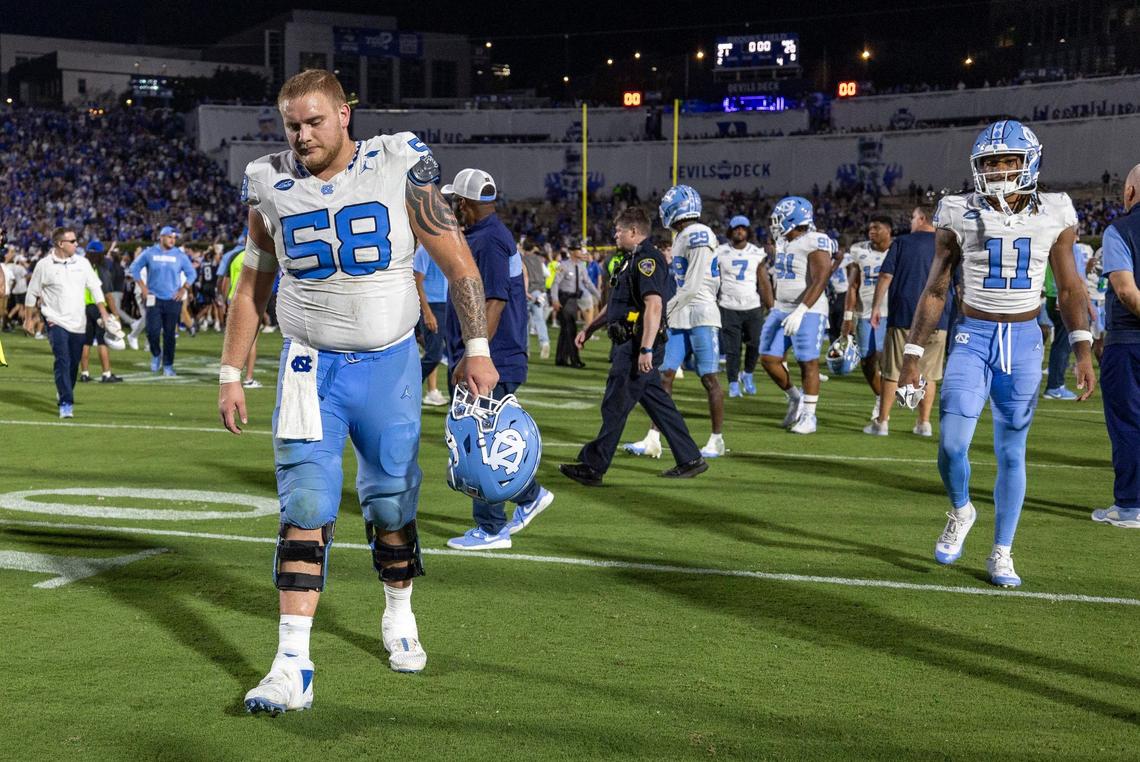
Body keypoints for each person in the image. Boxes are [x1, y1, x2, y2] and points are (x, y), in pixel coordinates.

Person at [218, 69, 497, 713]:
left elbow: (459, 265)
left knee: (391, 503)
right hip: (309, 368)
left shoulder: (398, 163)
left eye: (315, 121)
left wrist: (475, 351)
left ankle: (398, 609)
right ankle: (292, 664)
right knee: (305, 504)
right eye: (292, 124)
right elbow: (252, 287)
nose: (303, 134)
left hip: (389, 364)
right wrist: (232, 372)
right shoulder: (268, 183)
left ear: (346, 113)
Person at [895, 120, 1095, 588]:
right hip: (973, 336)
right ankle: (962, 508)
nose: (1000, 171)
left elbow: (1069, 287)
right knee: (951, 443)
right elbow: (936, 288)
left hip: (1024, 342)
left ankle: (1002, 550)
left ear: (1030, 163)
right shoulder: (958, 210)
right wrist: (911, 356)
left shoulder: (1055, 210)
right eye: (990, 163)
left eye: (1009, 162)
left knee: (1012, 452)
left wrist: (1082, 347)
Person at [440, 167, 555, 550]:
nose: (455, 206)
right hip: (501, 353)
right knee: (485, 434)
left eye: (458, 200)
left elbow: (494, 301)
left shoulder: (488, 240)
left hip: (495, 355)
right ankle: (529, 496)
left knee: (477, 439)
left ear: (468, 202)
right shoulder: (494, 235)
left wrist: (476, 354)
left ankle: (491, 528)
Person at [559, 206, 707, 485]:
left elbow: (654, 305)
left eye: (619, 230)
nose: (614, 235)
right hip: (631, 341)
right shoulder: (631, 259)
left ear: (634, 232)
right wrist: (590, 328)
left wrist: (646, 349)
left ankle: (593, 467)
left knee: (615, 404)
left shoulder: (646, 260)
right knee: (657, 403)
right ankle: (690, 458)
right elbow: (616, 304)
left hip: (636, 343)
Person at [625, 185, 726, 459]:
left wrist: (665, 310)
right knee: (664, 375)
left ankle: (717, 439)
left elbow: (693, 285)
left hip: (701, 312)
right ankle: (653, 437)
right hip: (683, 312)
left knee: (709, 378)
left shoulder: (699, 233)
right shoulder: (683, 235)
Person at [868, 205, 950, 436]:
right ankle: (923, 423)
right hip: (938, 317)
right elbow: (958, 284)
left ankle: (882, 422)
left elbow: (886, 275)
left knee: (893, 370)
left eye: (913, 217)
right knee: (928, 373)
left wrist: (876, 307)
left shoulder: (903, 242)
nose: (911, 221)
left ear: (922, 218)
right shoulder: (950, 244)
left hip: (905, 314)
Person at [758, 196, 836, 434]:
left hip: (809, 309)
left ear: (794, 218)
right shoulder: (785, 241)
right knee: (768, 358)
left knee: (807, 361)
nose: (776, 222)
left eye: (780, 217)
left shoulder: (815, 240)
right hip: (782, 308)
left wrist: (802, 310)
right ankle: (795, 397)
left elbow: (822, 277)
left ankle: (809, 417)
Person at [24, 227, 120, 418]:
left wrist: (104, 312)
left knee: (73, 363)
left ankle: (64, 389)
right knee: (62, 359)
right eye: (73, 241)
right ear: (61, 244)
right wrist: (28, 319)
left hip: (78, 322)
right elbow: (32, 292)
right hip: (54, 319)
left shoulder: (83, 263)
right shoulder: (44, 265)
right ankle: (66, 403)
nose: (77, 244)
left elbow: (95, 287)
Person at [1092, 162, 1140, 529]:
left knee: (1127, 425)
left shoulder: (1119, 230)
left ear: (1130, 193)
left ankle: (1129, 507)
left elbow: (1125, 290)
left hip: (1129, 344)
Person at [842, 215, 894, 421]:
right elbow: (853, 285)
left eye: (877, 228)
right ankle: (881, 397)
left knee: (885, 359)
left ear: (888, 230)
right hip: (865, 314)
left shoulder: (899, 250)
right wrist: (848, 317)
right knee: (867, 361)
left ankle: (886, 404)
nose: (872, 231)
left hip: (893, 312)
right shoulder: (859, 250)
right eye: (870, 228)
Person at [716, 215, 772, 398]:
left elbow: (763, 282)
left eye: (743, 228)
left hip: (752, 305)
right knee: (732, 348)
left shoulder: (756, 252)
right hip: (728, 305)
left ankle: (747, 374)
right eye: (736, 228)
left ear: (748, 231)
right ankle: (733, 383)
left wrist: (771, 306)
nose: (739, 231)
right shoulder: (719, 251)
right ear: (730, 231)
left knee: (755, 343)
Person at [129, 225, 196, 376]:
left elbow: (192, 273)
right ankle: (156, 354)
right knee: (152, 332)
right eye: (169, 237)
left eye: (174, 238)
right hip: (154, 298)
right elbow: (134, 268)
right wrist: (143, 288)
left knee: (169, 335)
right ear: (161, 237)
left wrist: (183, 289)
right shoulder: (149, 253)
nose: (172, 240)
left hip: (173, 300)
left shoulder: (180, 255)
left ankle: (168, 365)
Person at [1041, 237, 1094, 399]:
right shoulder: (1068, 248)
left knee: (1060, 343)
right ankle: (1055, 386)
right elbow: (1075, 280)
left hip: (1053, 296)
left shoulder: (1050, 244)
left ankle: (1055, 384)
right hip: (1061, 297)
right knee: (1063, 345)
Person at [78, 244, 123, 384]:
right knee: (102, 341)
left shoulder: (80, 268)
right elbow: (108, 295)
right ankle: (106, 373)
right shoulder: (101, 269)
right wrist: (115, 314)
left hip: (81, 308)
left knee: (85, 342)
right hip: (98, 308)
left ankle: (84, 373)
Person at [551, 239, 600, 368]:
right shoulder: (563, 265)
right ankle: (574, 360)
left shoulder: (581, 266)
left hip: (574, 300)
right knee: (571, 329)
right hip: (564, 299)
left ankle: (560, 359)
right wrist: (555, 300)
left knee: (565, 331)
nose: (580, 251)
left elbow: (588, 283)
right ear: (572, 251)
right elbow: (555, 283)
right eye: (578, 249)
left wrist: (598, 295)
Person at [412, 243, 448, 406]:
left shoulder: (444, 248)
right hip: (431, 306)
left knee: (449, 354)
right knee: (434, 354)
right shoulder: (425, 250)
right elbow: (417, 281)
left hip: (445, 305)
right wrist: (427, 312)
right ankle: (407, 388)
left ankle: (454, 397)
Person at [520, 239, 550, 359]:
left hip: (526, 292)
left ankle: (526, 349)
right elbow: (547, 274)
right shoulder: (539, 260)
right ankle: (545, 342)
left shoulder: (521, 259)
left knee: (524, 322)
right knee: (540, 320)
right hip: (538, 292)